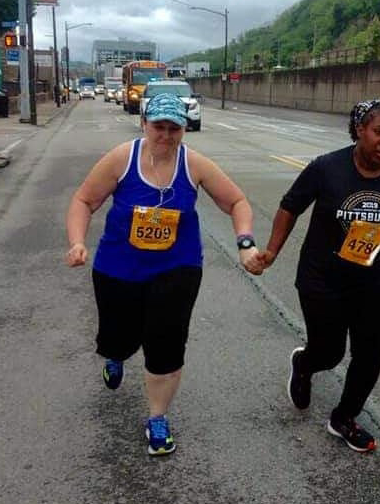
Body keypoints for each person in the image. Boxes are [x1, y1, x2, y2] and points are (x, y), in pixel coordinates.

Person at [65, 93, 263, 456]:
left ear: (184, 129)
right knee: (119, 338)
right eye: (159, 127)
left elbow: (236, 201)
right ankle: (117, 354)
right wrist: (77, 242)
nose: (166, 135)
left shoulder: (195, 164)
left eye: (175, 128)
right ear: (145, 124)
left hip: (177, 269)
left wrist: (245, 241)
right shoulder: (122, 159)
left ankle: (157, 416)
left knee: (166, 345)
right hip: (118, 268)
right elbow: (84, 201)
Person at [258, 99, 380, 452]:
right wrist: (272, 251)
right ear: (359, 131)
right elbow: (290, 207)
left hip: (373, 279)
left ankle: (344, 417)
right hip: (322, 277)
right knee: (330, 352)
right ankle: (305, 363)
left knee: (370, 355)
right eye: (379, 131)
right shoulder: (326, 168)